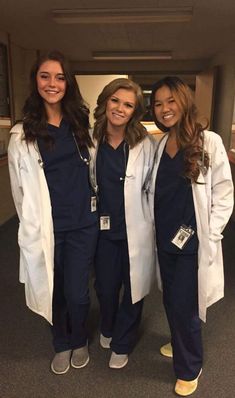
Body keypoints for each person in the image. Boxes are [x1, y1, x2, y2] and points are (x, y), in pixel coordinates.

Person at [8, 51, 98, 375]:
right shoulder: (23, 134)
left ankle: (80, 338)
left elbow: (93, 170)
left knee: (77, 291)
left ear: (67, 83)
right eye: (45, 76)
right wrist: (29, 226)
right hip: (48, 226)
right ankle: (61, 342)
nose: (53, 84)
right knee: (53, 288)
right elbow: (19, 190)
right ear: (36, 81)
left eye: (60, 77)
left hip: (83, 223)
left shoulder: (80, 125)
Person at [149, 76, 234, 396]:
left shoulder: (207, 140)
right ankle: (180, 341)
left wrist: (210, 233)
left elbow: (224, 193)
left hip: (192, 242)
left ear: (184, 100)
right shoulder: (161, 144)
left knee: (186, 305)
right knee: (171, 298)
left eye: (171, 100)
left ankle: (190, 366)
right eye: (158, 103)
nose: (165, 108)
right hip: (165, 239)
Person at [89, 78, 157, 369]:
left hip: (136, 229)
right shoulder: (91, 140)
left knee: (133, 288)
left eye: (128, 104)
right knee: (105, 287)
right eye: (115, 100)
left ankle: (123, 342)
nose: (120, 108)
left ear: (135, 111)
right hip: (103, 230)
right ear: (105, 101)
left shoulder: (144, 143)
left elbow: (152, 187)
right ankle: (108, 325)